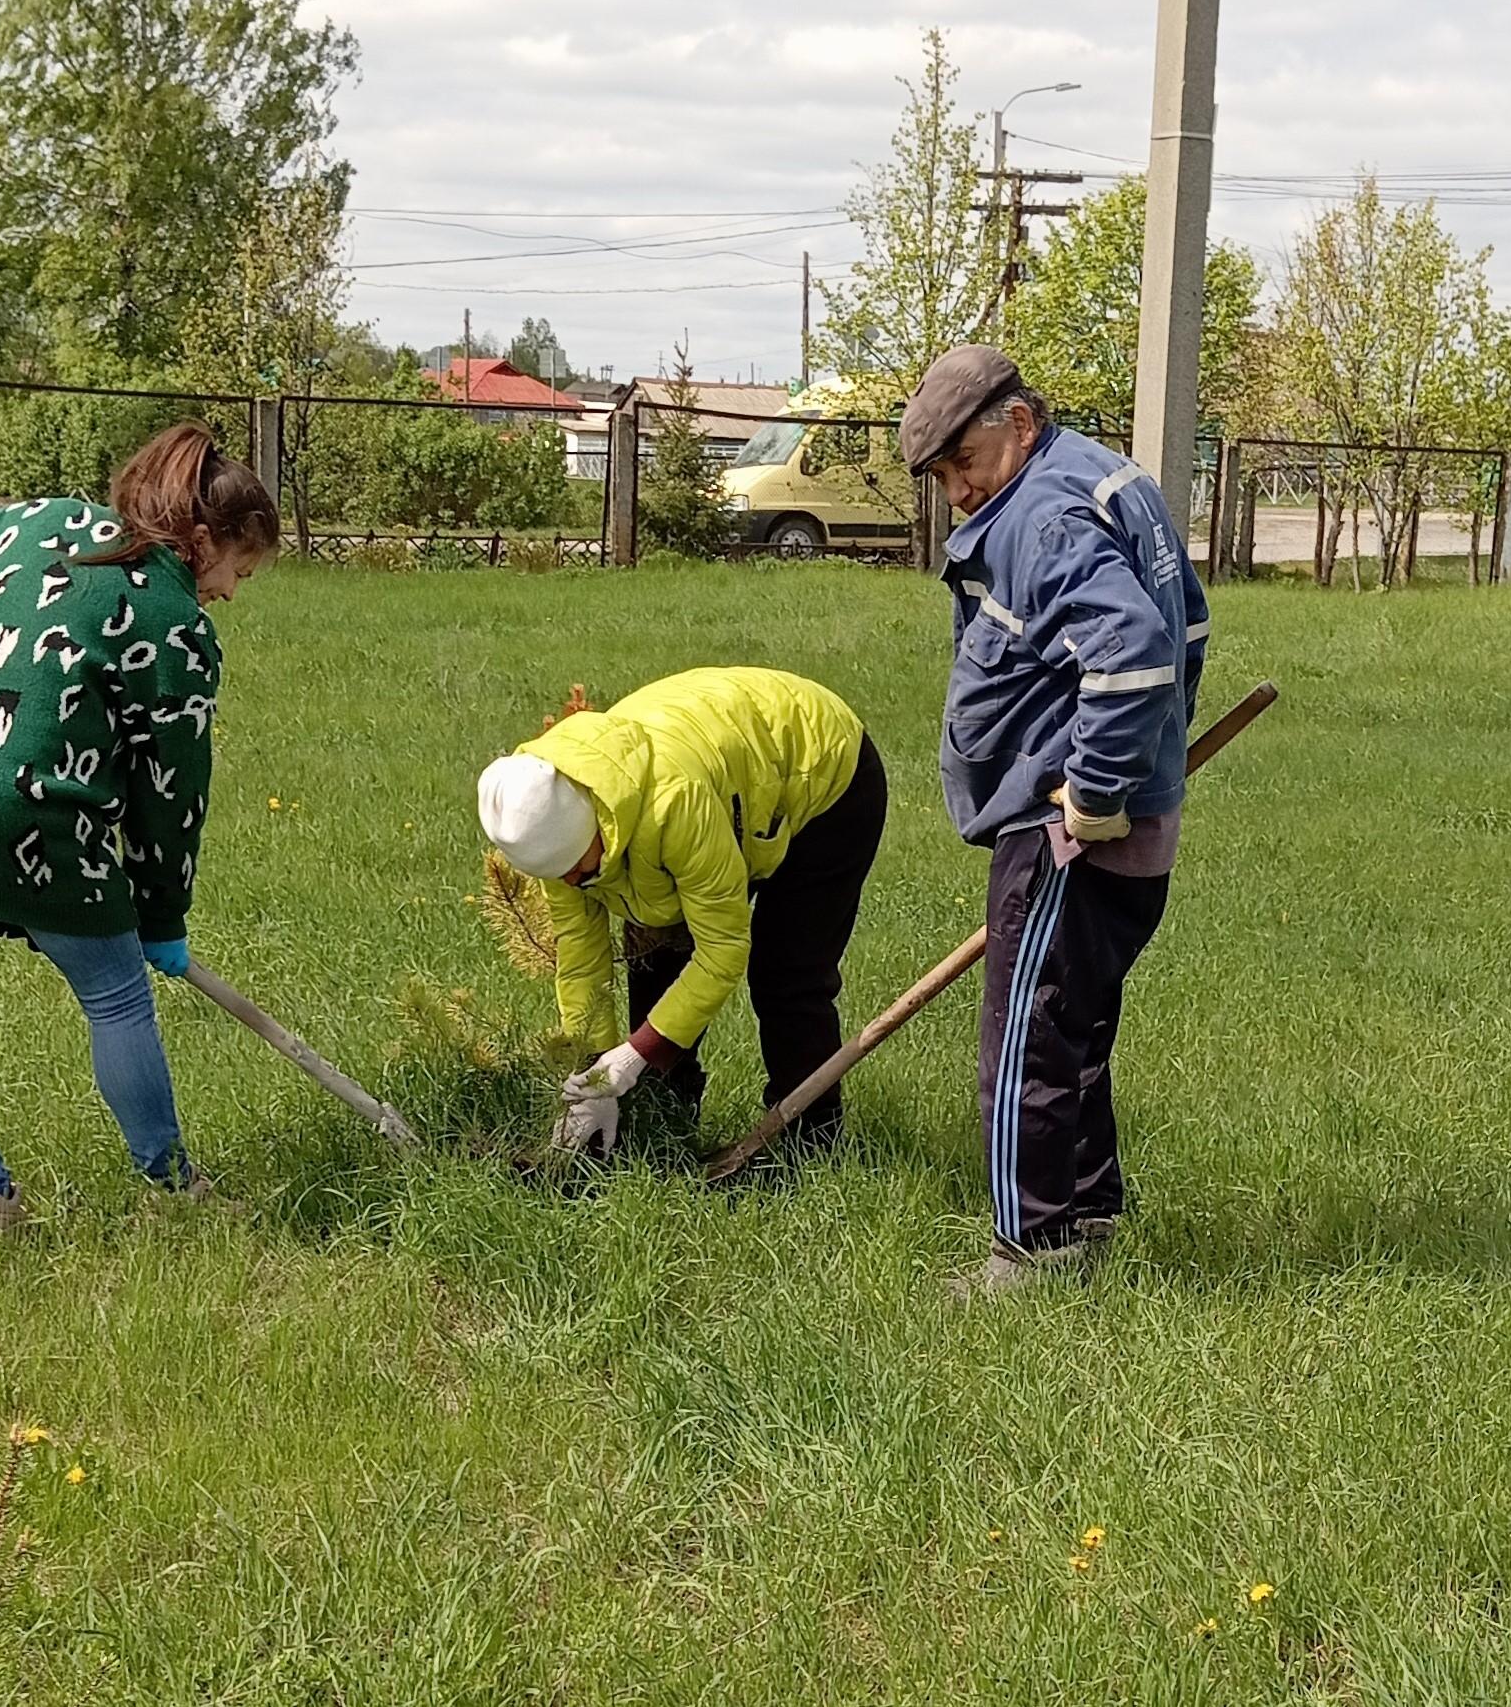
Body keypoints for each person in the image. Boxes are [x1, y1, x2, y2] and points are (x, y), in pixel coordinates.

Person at [0, 421, 278, 1229]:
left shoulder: (36, 520)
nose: (230, 593)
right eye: (236, 571)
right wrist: (161, 915)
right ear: (203, 539)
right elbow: (169, 794)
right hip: (34, 819)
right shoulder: (176, 626)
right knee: (116, 999)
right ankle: (176, 1189)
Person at [899, 346, 1207, 1292]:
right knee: (1074, 1025)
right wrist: (1145, 771)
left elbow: (1137, 651)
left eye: (964, 463)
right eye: (943, 475)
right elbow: (1188, 627)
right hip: (1123, 824)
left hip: (1067, 832)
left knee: (1027, 1038)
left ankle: (1028, 1249)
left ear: (1020, 424)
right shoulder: (1108, 480)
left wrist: (1099, 792)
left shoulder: (1044, 513)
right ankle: (1090, 1217)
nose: (956, 490)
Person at [477, 668, 886, 1159]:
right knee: (655, 954)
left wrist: (636, 1055)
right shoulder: (551, 817)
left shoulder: (674, 805)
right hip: (727, 777)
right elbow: (582, 958)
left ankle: (808, 1142)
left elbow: (722, 950)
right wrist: (595, 1070)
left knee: (787, 974)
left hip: (819, 769)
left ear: (598, 831)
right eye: (561, 875)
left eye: (577, 870)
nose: (570, 884)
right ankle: (660, 1129)